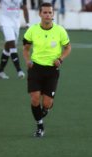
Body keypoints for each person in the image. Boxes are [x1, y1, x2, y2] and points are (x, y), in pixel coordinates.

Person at [23, 2, 71, 137]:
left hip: (52, 70)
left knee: (47, 103)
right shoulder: (32, 30)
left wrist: (60, 59)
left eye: (50, 12)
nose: (47, 15)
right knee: (35, 98)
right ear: (40, 14)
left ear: (53, 14)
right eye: (45, 12)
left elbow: (68, 47)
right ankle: (40, 126)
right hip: (35, 68)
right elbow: (26, 48)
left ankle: (45, 110)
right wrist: (27, 60)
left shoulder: (60, 30)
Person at [0, 0, 29, 79]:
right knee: (12, 43)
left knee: (8, 47)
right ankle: (19, 70)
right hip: (5, 22)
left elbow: (24, 7)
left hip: (16, 23)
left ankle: (0, 72)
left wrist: (27, 23)